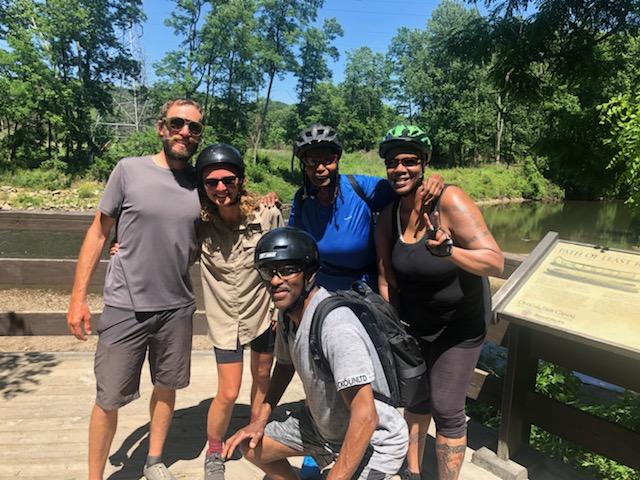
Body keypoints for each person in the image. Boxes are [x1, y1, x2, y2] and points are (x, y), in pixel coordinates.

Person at [66, 98, 204, 480]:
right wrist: (78, 299)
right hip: (125, 305)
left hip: (177, 307)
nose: (185, 132)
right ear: (161, 127)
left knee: (166, 386)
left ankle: (154, 460)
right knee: (108, 397)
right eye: (177, 124)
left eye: (193, 128)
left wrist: (267, 199)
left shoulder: (202, 182)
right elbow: (98, 233)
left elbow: (232, 208)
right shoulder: (129, 170)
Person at [222, 227, 409, 480]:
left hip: (375, 441)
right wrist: (260, 420)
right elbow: (284, 366)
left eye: (288, 270)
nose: (275, 281)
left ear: (310, 273)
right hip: (322, 428)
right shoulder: (287, 315)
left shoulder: (336, 327)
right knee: (251, 445)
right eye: (268, 271)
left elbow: (365, 417)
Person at [374, 125, 504, 480]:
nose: (400, 169)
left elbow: (494, 261)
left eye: (409, 161)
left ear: (424, 164)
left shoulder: (449, 201)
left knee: (447, 408)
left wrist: (449, 251)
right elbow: (386, 278)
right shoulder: (388, 215)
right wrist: (393, 330)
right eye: (392, 162)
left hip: (458, 328)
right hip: (415, 327)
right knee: (416, 400)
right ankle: (413, 473)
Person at [194, 143, 283, 480]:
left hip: (262, 314)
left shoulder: (266, 215)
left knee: (262, 377)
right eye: (212, 182)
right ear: (203, 186)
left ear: (241, 181)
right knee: (228, 391)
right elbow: (163, 238)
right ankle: (214, 450)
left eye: (228, 180)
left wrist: (280, 312)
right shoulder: (198, 223)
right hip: (224, 320)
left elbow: (282, 265)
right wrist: (121, 243)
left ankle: (254, 435)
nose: (221, 188)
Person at [289, 123, 445, 292]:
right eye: (312, 161)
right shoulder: (302, 199)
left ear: (337, 159)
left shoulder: (360, 188)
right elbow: (293, 243)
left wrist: (433, 180)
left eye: (328, 160)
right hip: (323, 288)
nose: (320, 168)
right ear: (304, 165)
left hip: (364, 288)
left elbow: (405, 186)